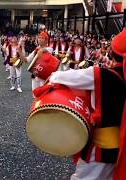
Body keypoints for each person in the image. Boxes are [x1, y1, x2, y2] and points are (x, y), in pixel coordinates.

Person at [49, 29, 126, 180]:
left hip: (101, 145)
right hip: (120, 147)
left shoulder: (102, 75)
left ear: (113, 52)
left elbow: (58, 77)